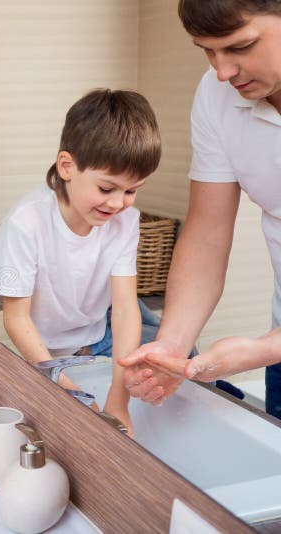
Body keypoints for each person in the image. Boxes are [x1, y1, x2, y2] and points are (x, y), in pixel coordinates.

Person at [120, 0, 281, 419]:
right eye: (208, 51)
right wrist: (172, 345)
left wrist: (264, 350)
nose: (224, 71)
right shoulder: (217, 92)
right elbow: (208, 232)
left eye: (241, 46)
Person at [0, 89, 163, 435]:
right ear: (67, 166)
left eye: (131, 191)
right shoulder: (26, 224)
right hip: (47, 347)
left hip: (98, 336)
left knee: (170, 360)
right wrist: (69, 389)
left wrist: (118, 397)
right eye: (107, 188)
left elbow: (125, 309)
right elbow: (15, 318)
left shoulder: (126, 222)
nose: (117, 203)